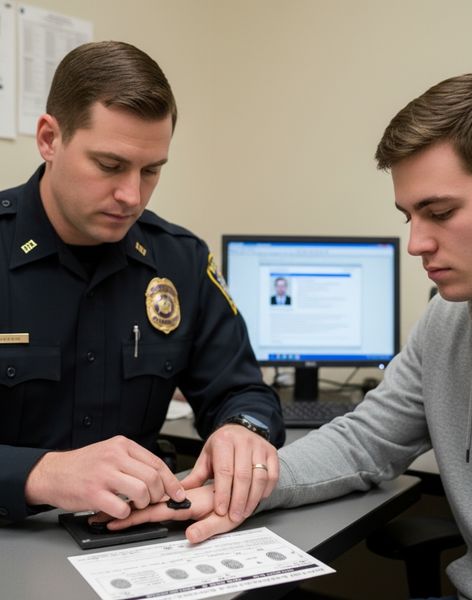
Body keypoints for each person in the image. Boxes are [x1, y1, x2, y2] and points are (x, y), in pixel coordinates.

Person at [113, 72, 472, 597]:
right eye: (409, 215)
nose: (416, 244)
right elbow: (365, 442)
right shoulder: (449, 320)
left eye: (440, 213)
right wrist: (237, 489)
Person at [0, 40, 285, 541]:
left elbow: (241, 391)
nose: (132, 195)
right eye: (110, 166)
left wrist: (244, 430)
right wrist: (40, 474)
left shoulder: (181, 260)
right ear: (49, 138)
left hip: (143, 542)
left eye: (151, 170)